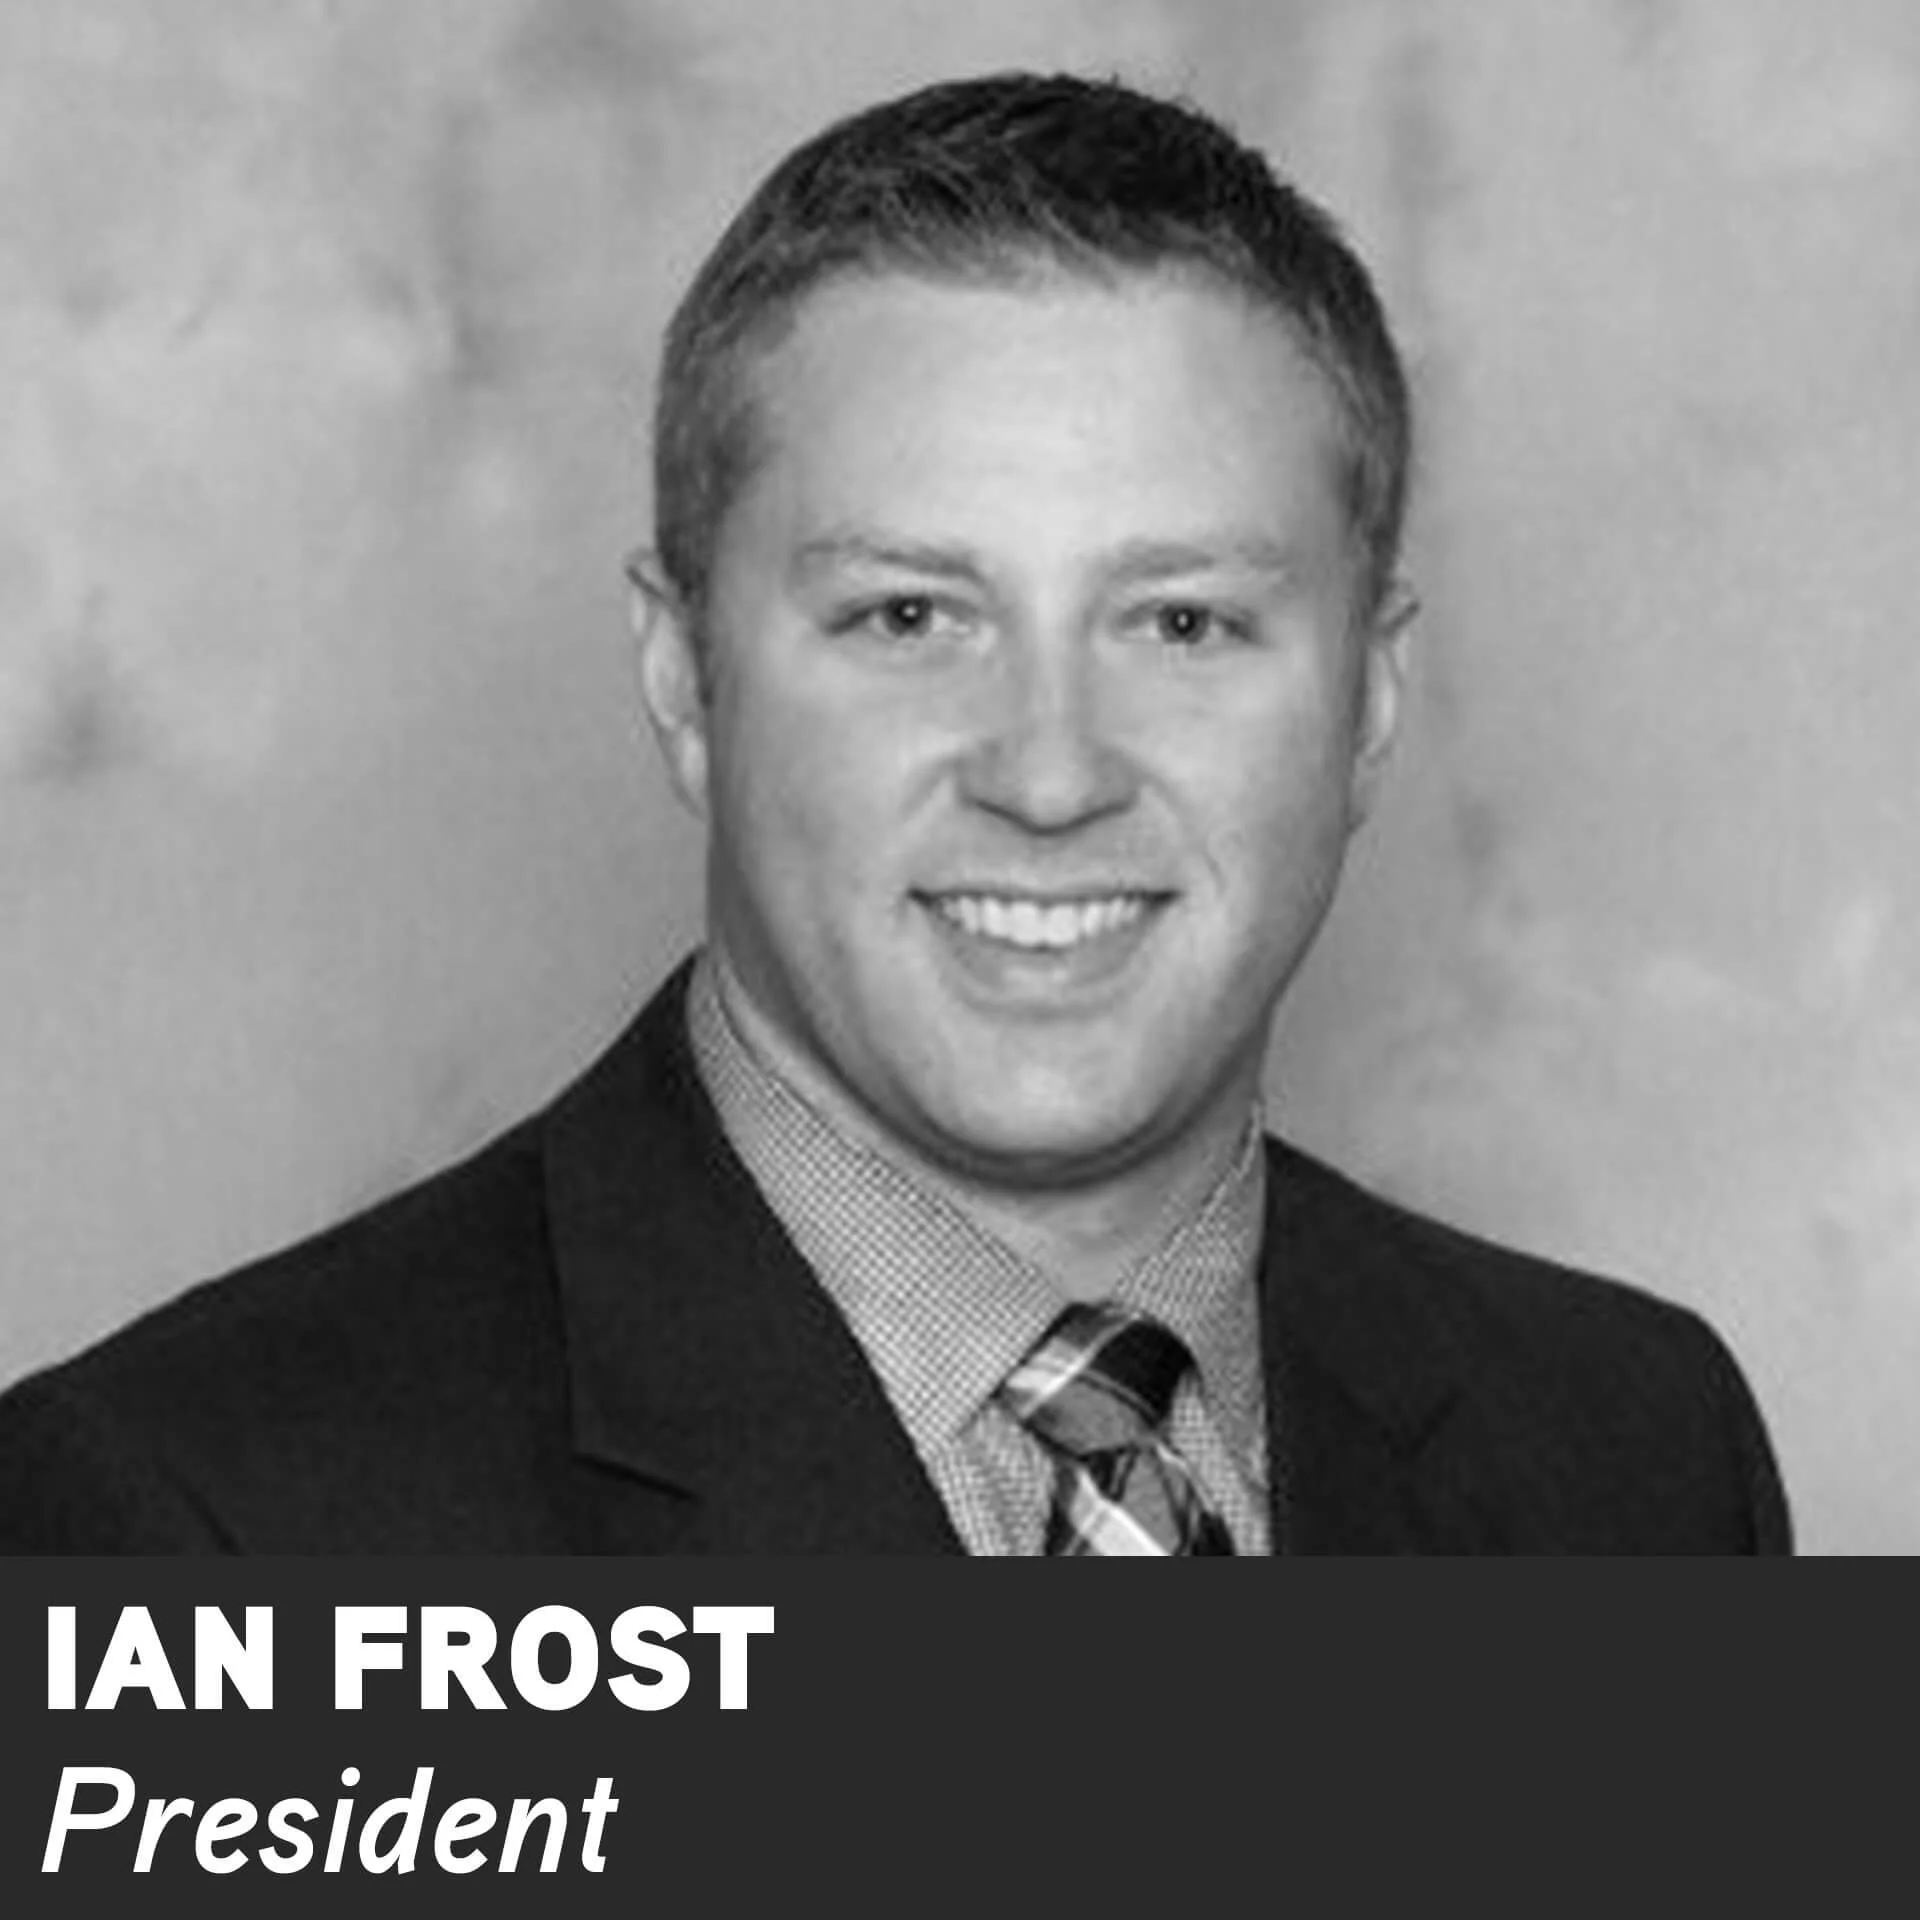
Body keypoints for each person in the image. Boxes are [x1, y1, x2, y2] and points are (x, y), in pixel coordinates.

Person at [0, 72, 1789, 1554]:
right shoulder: (189, 1526)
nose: (1050, 775)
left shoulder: (1642, 1460)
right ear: (685, 678)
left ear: (1370, 703)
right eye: (909, 617)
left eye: (1182, 624)